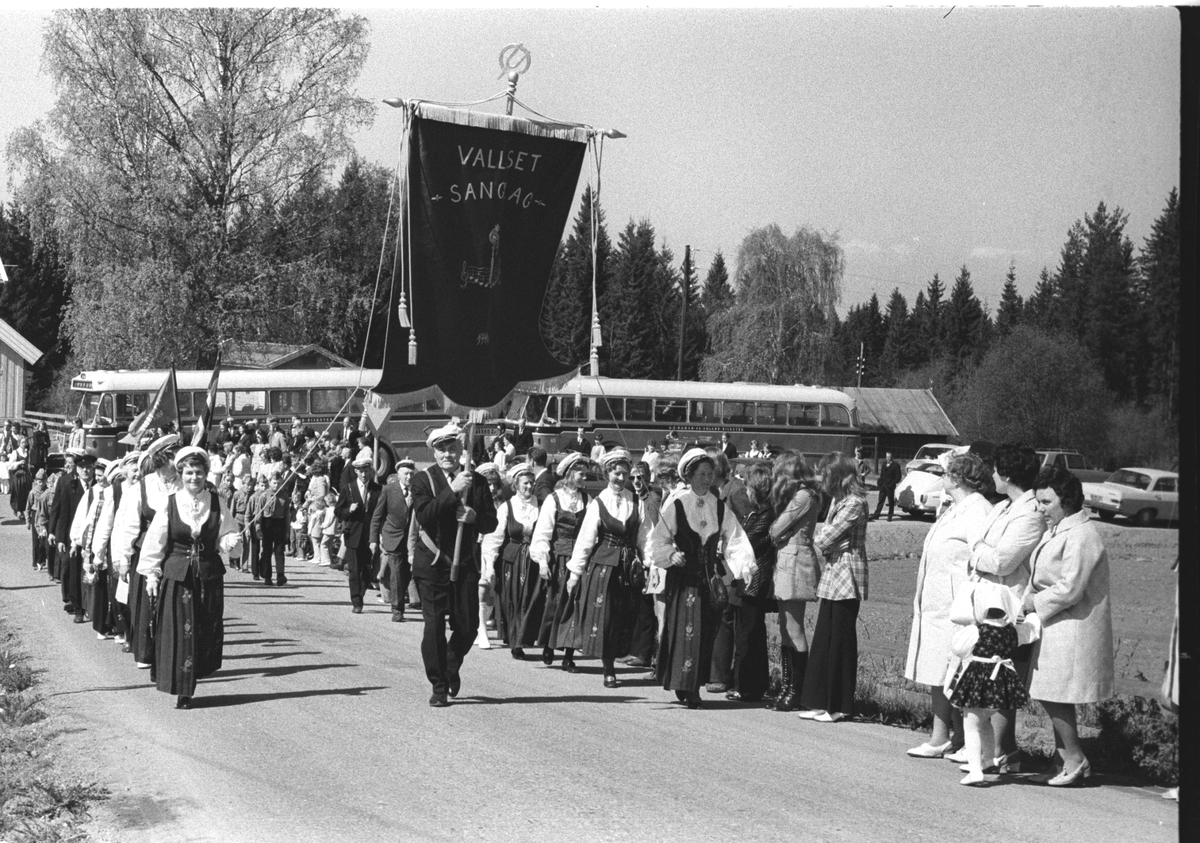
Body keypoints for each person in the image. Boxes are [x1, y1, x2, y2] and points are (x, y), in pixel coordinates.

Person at [1023, 465, 1114, 786]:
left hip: (1073, 629)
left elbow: (1070, 588)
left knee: (1054, 694)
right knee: (1050, 692)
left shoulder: (1082, 535)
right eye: (1038, 502)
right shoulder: (1061, 529)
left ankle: (1075, 760)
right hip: (1056, 627)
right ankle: (1064, 760)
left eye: (1046, 502)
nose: (1040, 509)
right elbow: (1043, 578)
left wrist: (1032, 602)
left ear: (1068, 501)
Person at [902, 452, 993, 757]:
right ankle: (947, 736)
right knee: (939, 671)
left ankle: (950, 737)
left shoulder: (978, 511)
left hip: (956, 608)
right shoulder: (955, 508)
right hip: (937, 604)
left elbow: (981, 559)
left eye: (945, 473)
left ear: (957, 478)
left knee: (952, 672)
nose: (941, 478)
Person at [650, 448, 756, 708]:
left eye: (710, 474)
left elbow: (735, 539)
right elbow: (659, 539)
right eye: (702, 474)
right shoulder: (677, 504)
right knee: (687, 632)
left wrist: (744, 568)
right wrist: (670, 555)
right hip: (684, 580)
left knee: (706, 632)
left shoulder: (719, 507)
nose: (707, 479)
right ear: (689, 475)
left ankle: (694, 683)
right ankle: (684, 685)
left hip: (709, 581)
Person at [963, 443, 1045, 773]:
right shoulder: (1004, 507)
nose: (993, 475)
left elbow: (1002, 560)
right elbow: (982, 546)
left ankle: (1000, 751)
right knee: (991, 674)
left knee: (1001, 675)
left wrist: (977, 554)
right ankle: (996, 751)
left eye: (997, 470)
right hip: (987, 603)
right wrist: (982, 552)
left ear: (1008, 474)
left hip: (1008, 607)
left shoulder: (1029, 514)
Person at [139, 446, 240, 709]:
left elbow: (228, 535)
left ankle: (193, 678)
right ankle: (183, 690)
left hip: (207, 577)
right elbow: (156, 541)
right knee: (181, 631)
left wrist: (230, 541)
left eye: (198, 472)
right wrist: (151, 575)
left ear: (206, 474)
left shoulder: (217, 503)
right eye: (188, 472)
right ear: (180, 474)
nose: (193, 477)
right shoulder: (170, 503)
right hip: (177, 576)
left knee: (203, 630)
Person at [410, 423, 498, 707]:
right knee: (434, 626)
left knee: (469, 624)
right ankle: (438, 685)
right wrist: (453, 490)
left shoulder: (477, 480)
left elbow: (491, 521)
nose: (448, 454)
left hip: (465, 563)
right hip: (432, 563)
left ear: (461, 449)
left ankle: (451, 663)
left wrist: (474, 518)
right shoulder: (422, 479)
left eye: (452, 448)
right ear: (434, 453)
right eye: (442, 449)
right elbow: (425, 516)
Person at [558, 449, 647, 689]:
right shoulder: (598, 503)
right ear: (608, 473)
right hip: (603, 569)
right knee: (606, 618)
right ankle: (609, 670)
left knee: (623, 617)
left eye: (625, 473)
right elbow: (586, 541)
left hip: (628, 570)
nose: (621, 478)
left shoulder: (636, 500)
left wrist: (650, 565)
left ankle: (620, 656)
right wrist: (574, 574)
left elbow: (644, 538)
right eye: (617, 473)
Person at [797, 452, 869, 723]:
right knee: (824, 639)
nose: (821, 480)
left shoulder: (855, 502)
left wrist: (828, 541)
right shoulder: (838, 501)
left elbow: (824, 537)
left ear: (839, 476)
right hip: (832, 573)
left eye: (825, 475)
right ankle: (819, 701)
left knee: (840, 641)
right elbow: (824, 539)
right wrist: (828, 541)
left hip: (847, 575)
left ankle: (839, 705)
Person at [947, 586, 1032, 786]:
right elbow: (1031, 631)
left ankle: (976, 770)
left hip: (979, 681)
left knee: (972, 725)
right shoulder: (1012, 631)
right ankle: (989, 760)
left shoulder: (977, 630)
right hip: (1001, 682)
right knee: (985, 721)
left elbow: (958, 649)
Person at [111, 435, 181, 666]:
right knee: (145, 604)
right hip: (145, 552)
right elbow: (129, 525)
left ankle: (170, 652)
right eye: (161, 465)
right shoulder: (143, 486)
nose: (165, 472)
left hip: (175, 551)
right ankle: (146, 653)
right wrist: (123, 558)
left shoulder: (185, 483)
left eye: (170, 463)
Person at [768, 452, 824, 712]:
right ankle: (788, 686)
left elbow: (776, 528)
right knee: (785, 629)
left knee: (794, 628)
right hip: (788, 562)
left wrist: (783, 533)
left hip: (796, 564)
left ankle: (798, 690)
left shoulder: (803, 496)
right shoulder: (800, 495)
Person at [530, 452, 590, 669]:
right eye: (580, 472)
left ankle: (569, 654)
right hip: (558, 560)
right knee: (554, 603)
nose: (584, 476)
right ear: (569, 473)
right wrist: (543, 562)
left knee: (575, 606)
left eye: (585, 472)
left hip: (579, 559)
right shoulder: (553, 500)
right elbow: (543, 532)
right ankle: (548, 644)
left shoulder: (588, 501)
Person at [482, 462, 541, 658]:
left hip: (533, 560)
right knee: (513, 600)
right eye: (525, 483)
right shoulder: (507, 507)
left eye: (532, 483)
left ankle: (524, 637)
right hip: (511, 561)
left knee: (529, 599)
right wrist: (490, 564)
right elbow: (495, 537)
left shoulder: (539, 505)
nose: (529, 487)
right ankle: (516, 642)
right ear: (516, 485)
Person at [729, 463, 775, 703]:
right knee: (752, 632)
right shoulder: (760, 513)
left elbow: (747, 541)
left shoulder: (765, 516)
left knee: (748, 634)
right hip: (752, 579)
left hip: (755, 580)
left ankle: (747, 686)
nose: (744, 492)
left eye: (748, 487)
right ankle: (753, 684)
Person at [336, 453, 381, 613]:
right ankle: (357, 601)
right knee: (354, 570)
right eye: (360, 471)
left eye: (366, 470)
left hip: (370, 536)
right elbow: (338, 511)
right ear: (355, 471)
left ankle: (361, 591)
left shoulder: (377, 489)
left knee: (367, 570)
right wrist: (349, 510)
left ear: (371, 471)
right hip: (353, 535)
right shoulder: (348, 488)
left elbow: (381, 513)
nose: (363, 474)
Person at [369, 467, 410, 622]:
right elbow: (377, 517)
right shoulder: (388, 490)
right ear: (398, 475)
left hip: (413, 540)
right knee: (397, 574)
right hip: (393, 538)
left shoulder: (418, 490)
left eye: (411, 473)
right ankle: (397, 610)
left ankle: (404, 598)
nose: (409, 476)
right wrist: (373, 539)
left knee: (408, 576)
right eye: (406, 473)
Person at [871, 451, 902, 521]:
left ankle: (890, 515)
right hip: (883, 485)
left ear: (892, 457)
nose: (887, 458)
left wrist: (893, 482)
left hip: (890, 486)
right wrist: (880, 482)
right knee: (880, 500)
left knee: (891, 501)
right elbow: (882, 474)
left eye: (889, 457)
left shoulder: (895, 465)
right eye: (887, 457)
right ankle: (876, 514)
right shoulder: (884, 464)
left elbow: (898, 477)